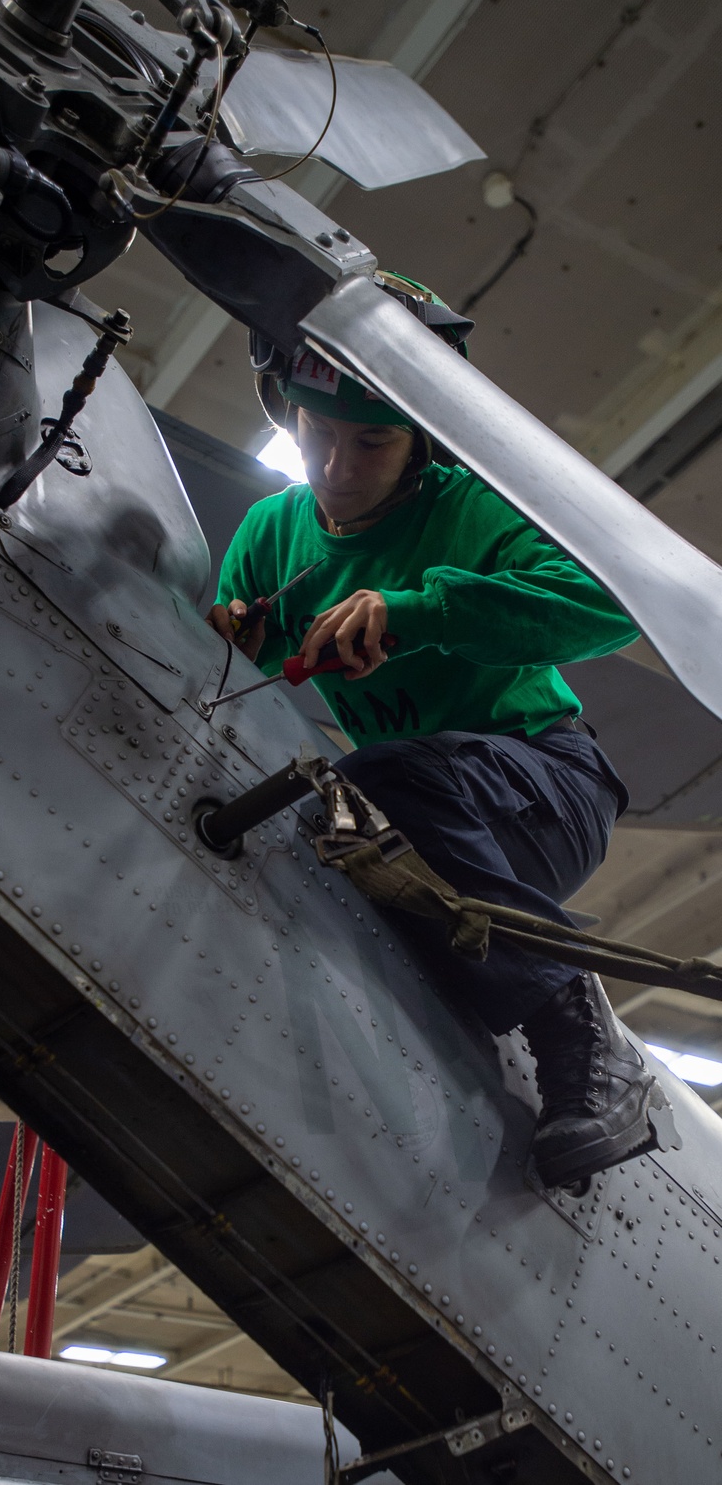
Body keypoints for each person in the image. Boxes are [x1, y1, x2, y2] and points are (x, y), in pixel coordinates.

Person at [207, 274, 671, 1190]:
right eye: (316, 432)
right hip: (420, 805)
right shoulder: (270, 531)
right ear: (283, 410)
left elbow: (614, 605)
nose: (337, 466)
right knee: (328, 838)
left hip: (550, 789)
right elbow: (227, 670)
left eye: (372, 441)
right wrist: (233, 640)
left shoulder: (472, 505)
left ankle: (587, 1036)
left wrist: (420, 611)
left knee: (377, 783)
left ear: (421, 441)